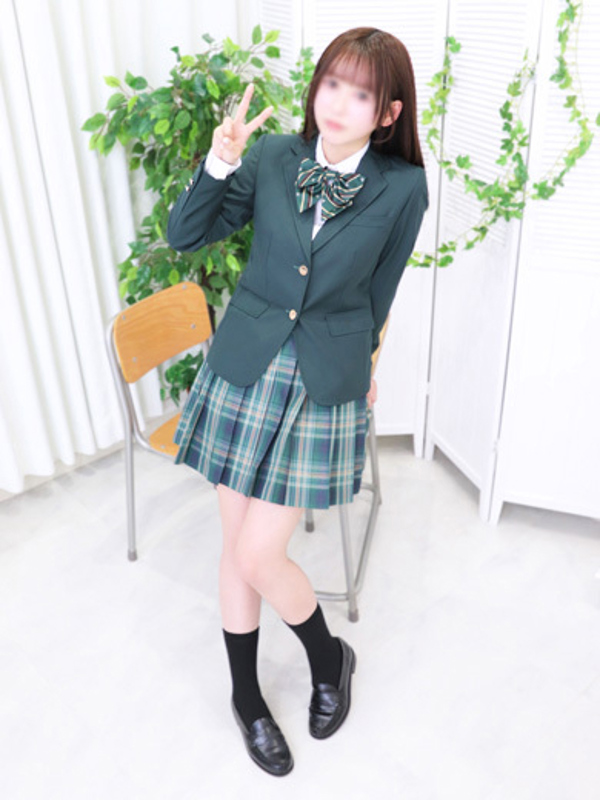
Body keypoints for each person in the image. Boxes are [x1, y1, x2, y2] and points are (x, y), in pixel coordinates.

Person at [167, 26, 428, 777]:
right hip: (245, 369)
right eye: (331, 84)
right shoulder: (275, 155)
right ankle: (247, 697)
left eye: (361, 93)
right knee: (236, 549)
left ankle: (326, 656)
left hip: (321, 381)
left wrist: (365, 359)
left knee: (258, 552)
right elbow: (186, 235)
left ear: (388, 113)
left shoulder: (403, 188)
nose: (337, 103)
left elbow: (381, 290)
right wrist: (221, 159)